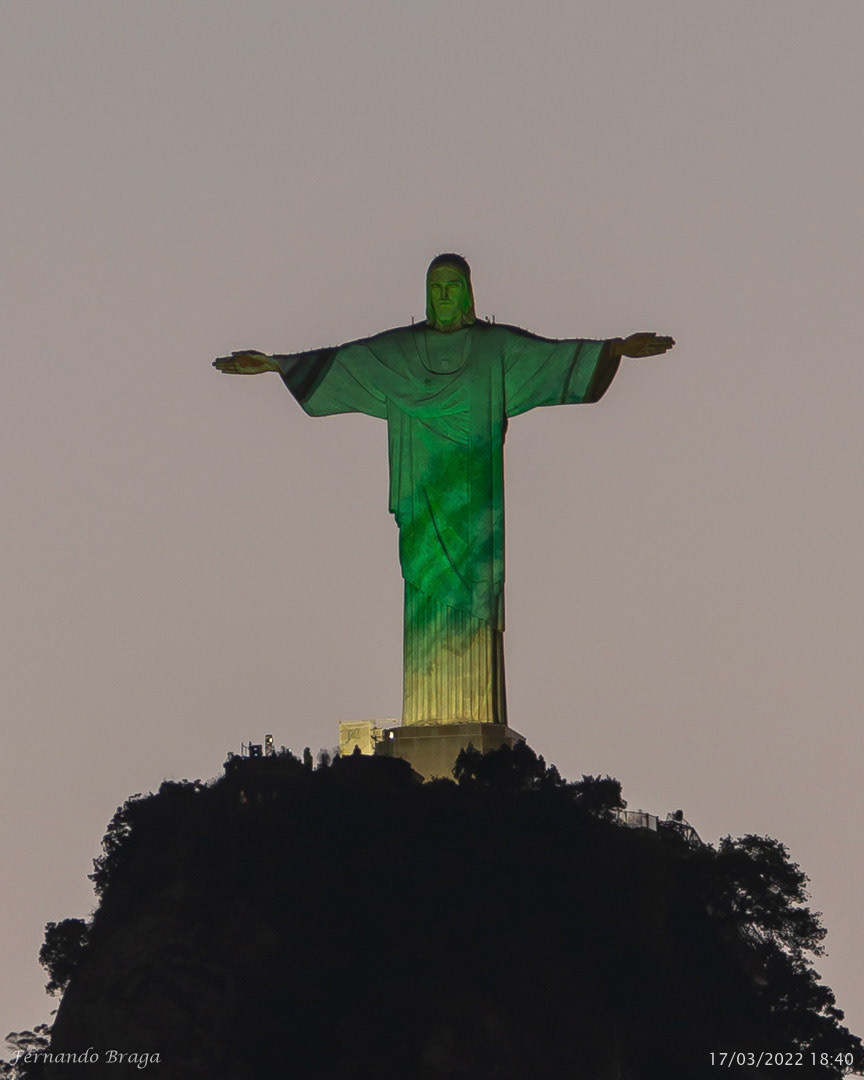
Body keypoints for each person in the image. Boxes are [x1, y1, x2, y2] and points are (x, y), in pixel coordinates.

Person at [214, 254, 673, 726]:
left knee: (473, 595)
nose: (444, 297)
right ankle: (431, 721)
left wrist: (616, 349)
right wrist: (275, 365)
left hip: (473, 508)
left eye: (453, 287)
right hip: (422, 500)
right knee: (425, 586)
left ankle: (470, 722)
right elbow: (346, 362)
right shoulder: (400, 354)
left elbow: (552, 359)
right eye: (436, 288)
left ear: (470, 293)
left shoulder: (495, 349)